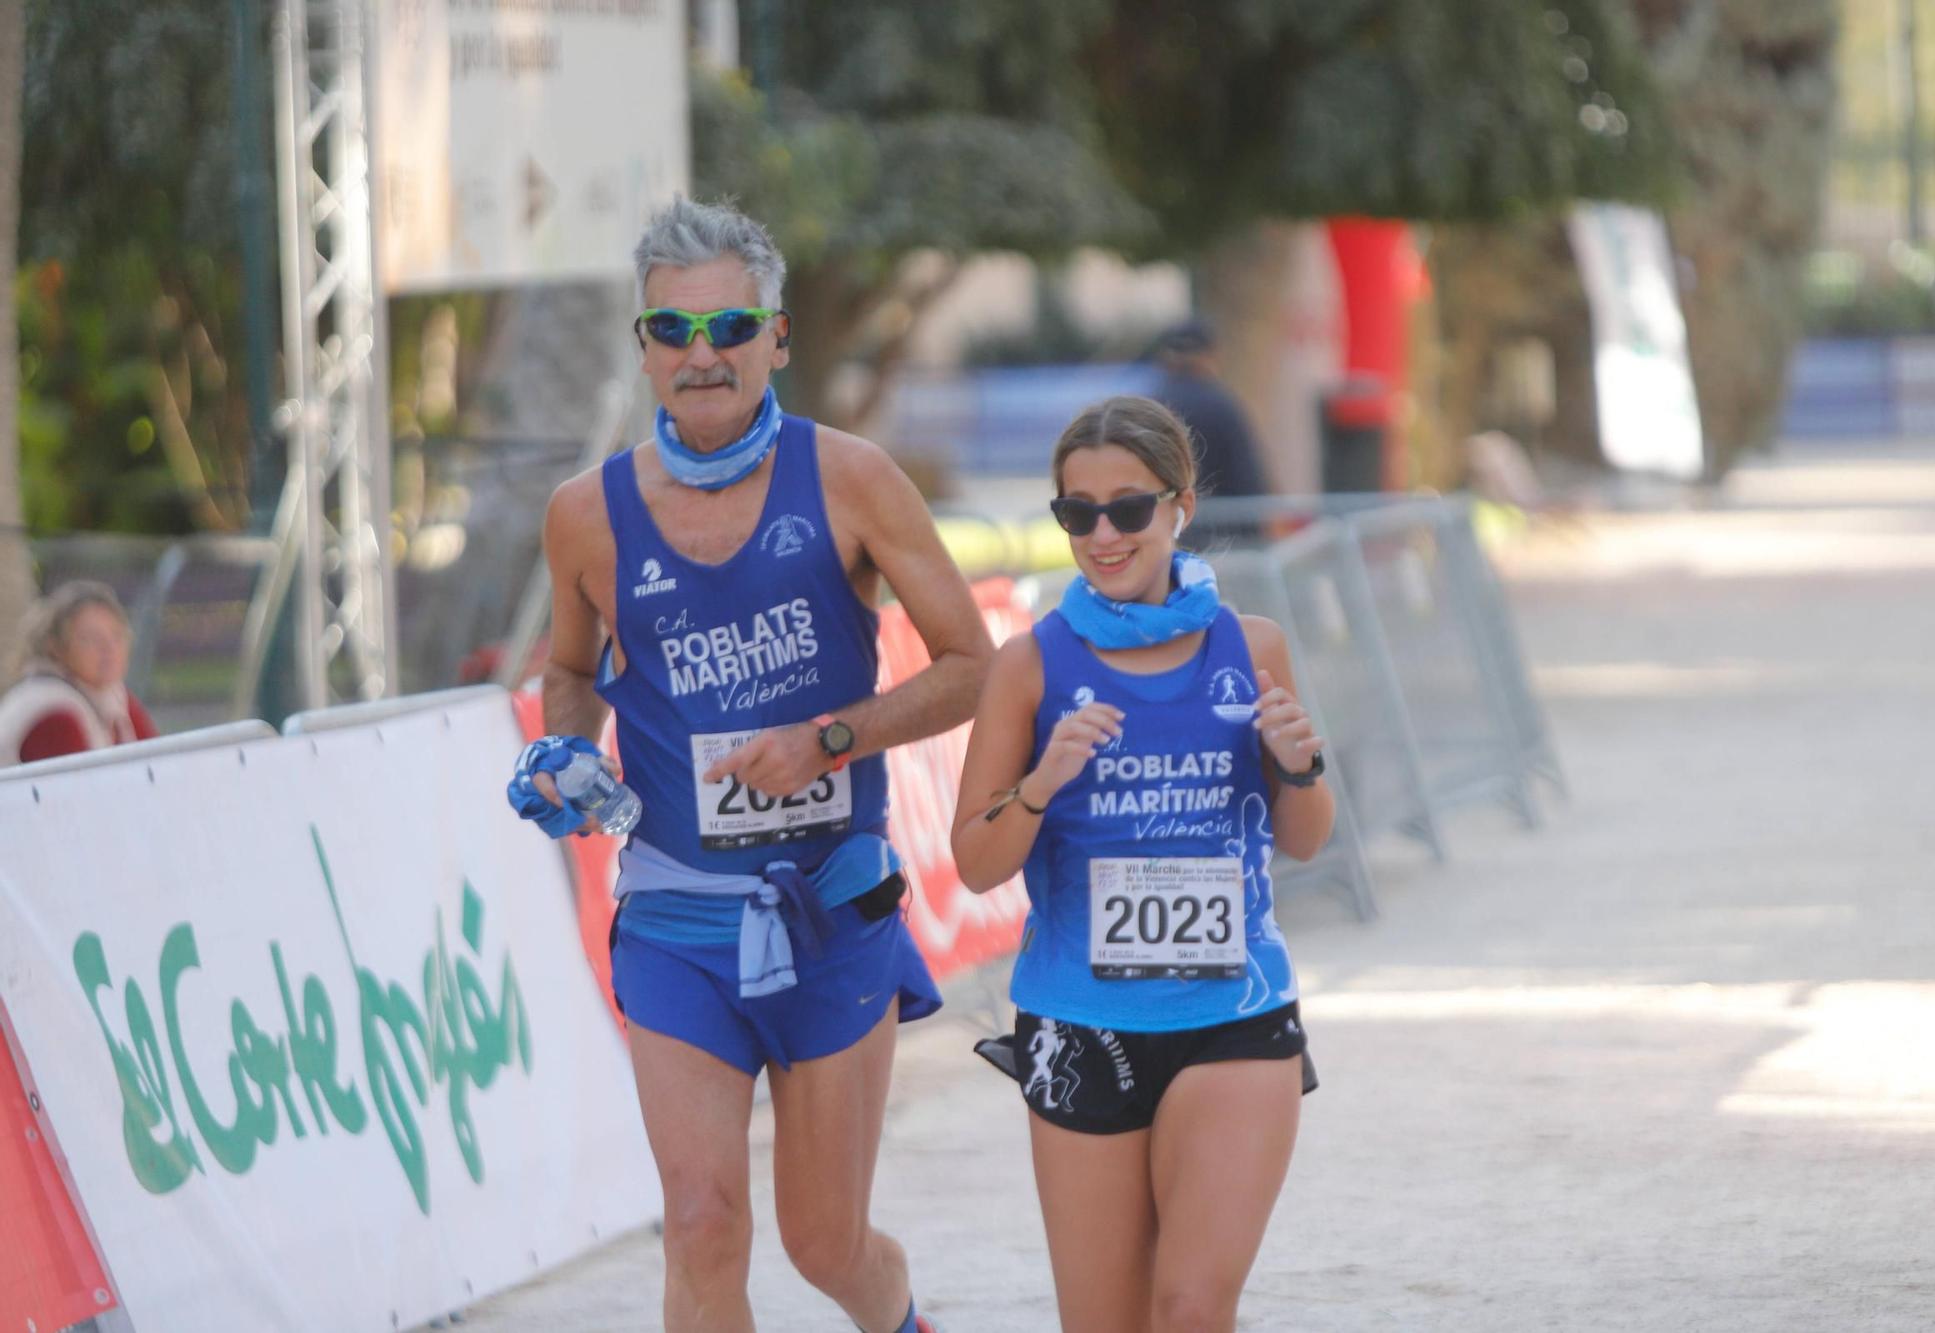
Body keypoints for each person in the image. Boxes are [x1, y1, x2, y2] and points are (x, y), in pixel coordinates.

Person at [514, 197, 991, 1333]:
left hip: (829, 908)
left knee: (825, 1243)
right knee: (700, 1221)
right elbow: (570, 673)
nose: (701, 355)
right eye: (671, 332)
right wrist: (563, 752)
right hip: (678, 917)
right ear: (642, 349)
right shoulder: (585, 515)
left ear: (776, 337)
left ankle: (904, 1321)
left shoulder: (853, 479)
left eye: (728, 327)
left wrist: (833, 737)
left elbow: (974, 664)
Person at [950, 395, 1335, 1331]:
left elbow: (1309, 836)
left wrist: (1302, 763)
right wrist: (1041, 782)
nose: (1103, 534)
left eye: (1128, 508)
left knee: (1194, 1308)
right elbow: (973, 861)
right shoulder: (1031, 664)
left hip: (1233, 1015)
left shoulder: (1252, 647)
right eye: (1077, 513)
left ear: (1181, 506)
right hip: (1083, 1021)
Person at [0, 580, 158, 766]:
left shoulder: (113, 697)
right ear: (56, 647)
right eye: (91, 638)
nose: (108, 648)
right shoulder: (54, 713)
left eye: (116, 635)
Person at [1147, 320, 1270, 522]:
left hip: (1164, 526)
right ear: (1209, 355)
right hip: (1225, 532)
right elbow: (1248, 480)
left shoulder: (1151, 405)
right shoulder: (1222, 405)